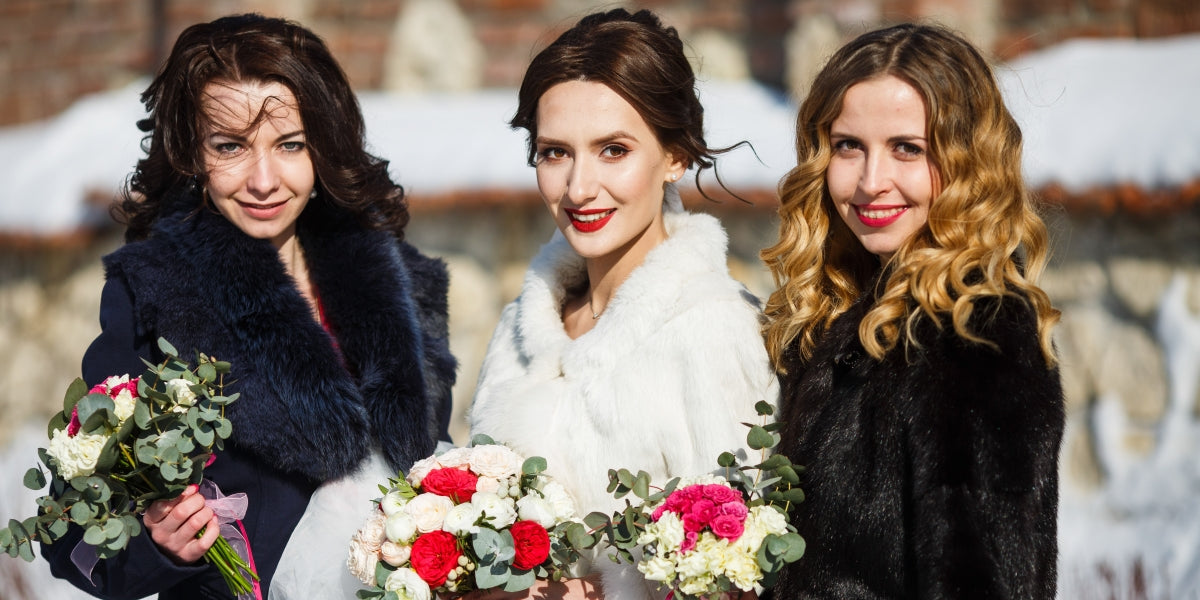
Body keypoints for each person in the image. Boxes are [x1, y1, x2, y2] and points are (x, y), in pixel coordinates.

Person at [41, 14, 456, 600]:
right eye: (230, 146)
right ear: (191, 153)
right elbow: (71, 533)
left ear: (323, 148)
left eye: (290, 145)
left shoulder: (404, 285)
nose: (264, 179)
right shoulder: (156, 292)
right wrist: (160, 546)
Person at [468, 8, 777, 600]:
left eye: (613, 150)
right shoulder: (519, 328)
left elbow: (739, 571)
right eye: (555, 152)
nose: (579, 188)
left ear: (676, 156)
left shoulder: (717, 328)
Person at [760, 23, 1064, 598]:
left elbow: (977, 578)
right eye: (849, 145)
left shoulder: (975, 328)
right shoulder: (843, 311)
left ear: (969, 162)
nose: (873, 182)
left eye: (908, 149)